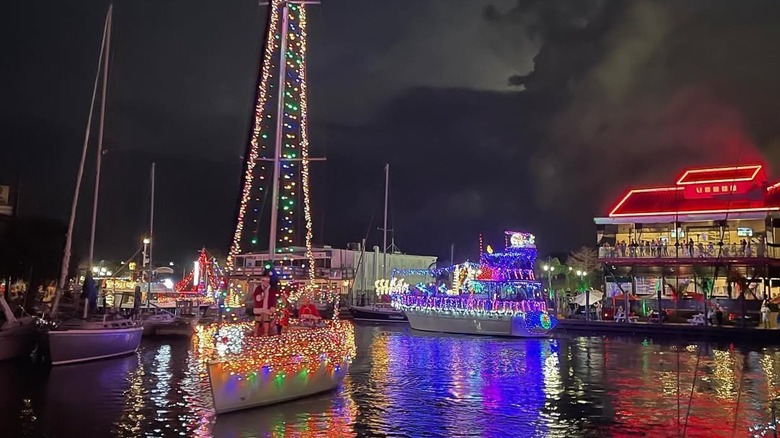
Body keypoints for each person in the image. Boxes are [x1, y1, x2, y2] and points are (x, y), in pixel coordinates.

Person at [253, 269, 279, 336]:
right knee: (257, 321)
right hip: (259, 308)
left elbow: (274, 299)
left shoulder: (271, 290)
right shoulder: (258, 288)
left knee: (266, 321)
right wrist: (260, 297)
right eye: (264, 281)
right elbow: (255, 296)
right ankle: (255, 333)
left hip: (267, 308)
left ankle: (266, 333)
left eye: (266, 282)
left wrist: (273, 306)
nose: (265, 283)